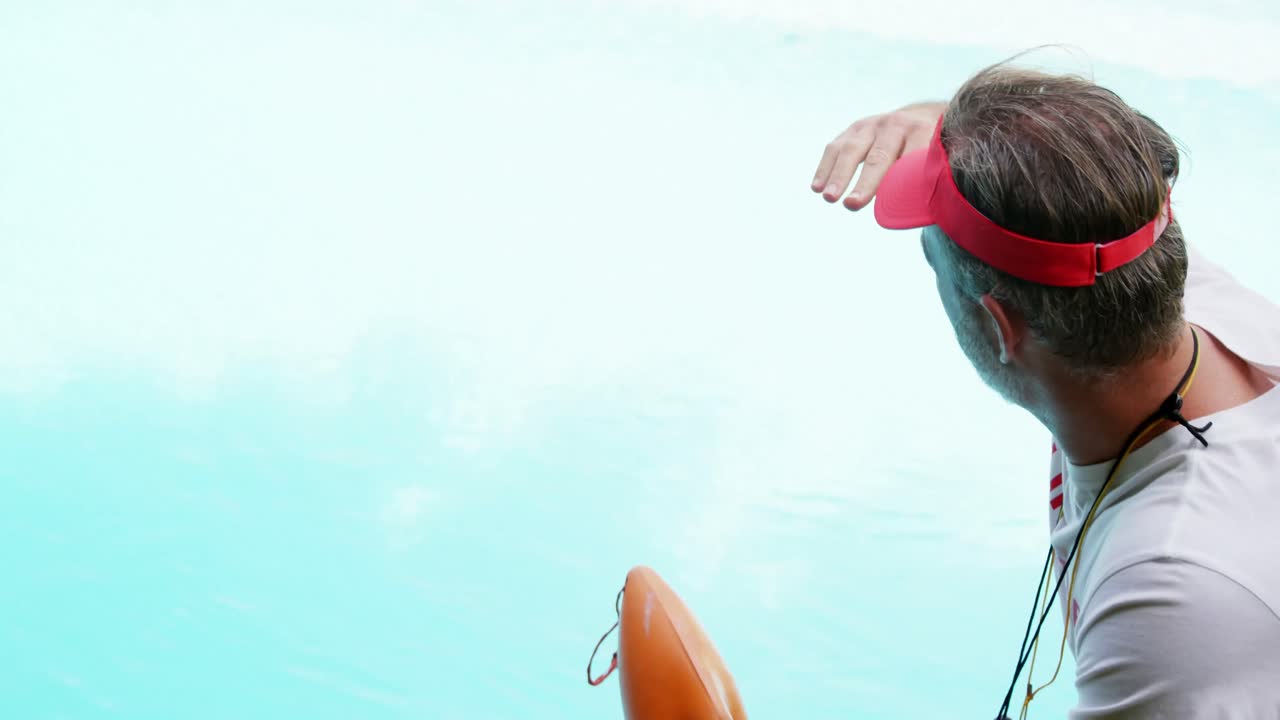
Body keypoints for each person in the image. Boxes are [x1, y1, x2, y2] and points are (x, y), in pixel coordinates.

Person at [810, 58, 1280, 718]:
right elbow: (1068, 168)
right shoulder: (1140, 267)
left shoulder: (1172, 591)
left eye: (932, 262)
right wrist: (931, 118)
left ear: (1001, 325)